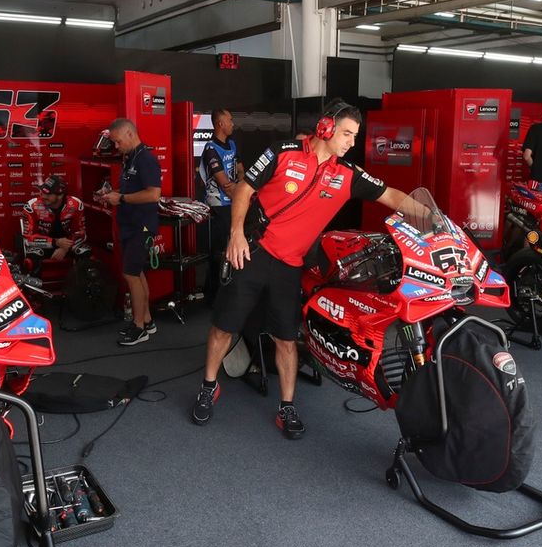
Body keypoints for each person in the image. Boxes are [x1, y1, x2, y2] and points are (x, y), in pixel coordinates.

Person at [190, 100, 413, 438]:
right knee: (224, 327)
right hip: (252, 252)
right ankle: (208, 386)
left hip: (289, 266)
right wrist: (236, 234)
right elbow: (244, 191)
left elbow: (393, 196)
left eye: (356, 135)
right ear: (325, 128)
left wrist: (436, 220)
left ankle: (287, 406)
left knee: (286, 339)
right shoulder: (283, 151)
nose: (352, 142)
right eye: (347, 134)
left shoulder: (347, 174)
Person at [98, 118, 162, 346]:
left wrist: (121, 198)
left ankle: (138, 328)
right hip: (129, 225)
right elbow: (129, 190)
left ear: (128, 134)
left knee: (131, 275)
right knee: (136, 273)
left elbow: (154, 194)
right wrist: (113, 195)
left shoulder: (146, 159)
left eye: (117, 142)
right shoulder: (130, 158)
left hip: (141, 226)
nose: (116, 146)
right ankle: (147, 320)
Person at [199, 109, 244, 304]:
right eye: (230, 120)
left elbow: (241, 170)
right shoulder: (210, 149)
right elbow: (224, 184)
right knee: (218, 252)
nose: (233, 123)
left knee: (231, 248)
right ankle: (214, 296)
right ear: (220, 124)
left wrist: (241, 186)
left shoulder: (232, 144)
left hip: (233, 203)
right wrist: (243, 193)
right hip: (218, 206)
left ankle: (227, 291)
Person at [21, 175, 86, 276]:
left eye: (48, 194)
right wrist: (56, 242)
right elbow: (28, 239)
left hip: (67, 245)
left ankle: (78, 289)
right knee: (32, 257)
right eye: (42, 191)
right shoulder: (31, 206)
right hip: (43, 245)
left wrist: (65, 248)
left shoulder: (76, 205)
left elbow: (80, 233)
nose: (43, 196)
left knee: (85, 253)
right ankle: (35, 291)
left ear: (60, 195)